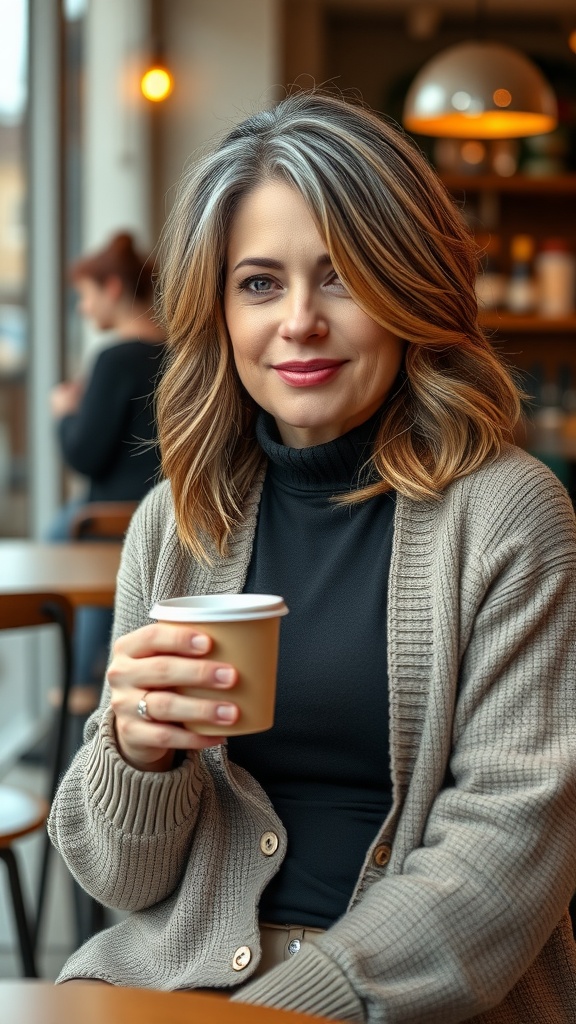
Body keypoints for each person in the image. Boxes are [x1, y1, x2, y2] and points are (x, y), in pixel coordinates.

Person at [47, 91, 576, 1022]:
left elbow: (507, 857)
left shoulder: (509, 516)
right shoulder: (176, 523)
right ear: (219, 311)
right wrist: (136, 755)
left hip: (422, 1002)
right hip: (175, 980)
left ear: (407, 289)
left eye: (341, 277)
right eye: (259, 283)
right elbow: (119, 878)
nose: (298, 321)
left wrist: (286, 1009)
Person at [48, 232, 166, 707]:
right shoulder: (183, 353)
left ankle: (77, 687)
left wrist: (63, 414)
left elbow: (84, 455)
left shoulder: (114, 360)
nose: (81, 308)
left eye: (85, 295)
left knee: (61, 537)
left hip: (106, 527)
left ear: (113, 288)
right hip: (162, 522)